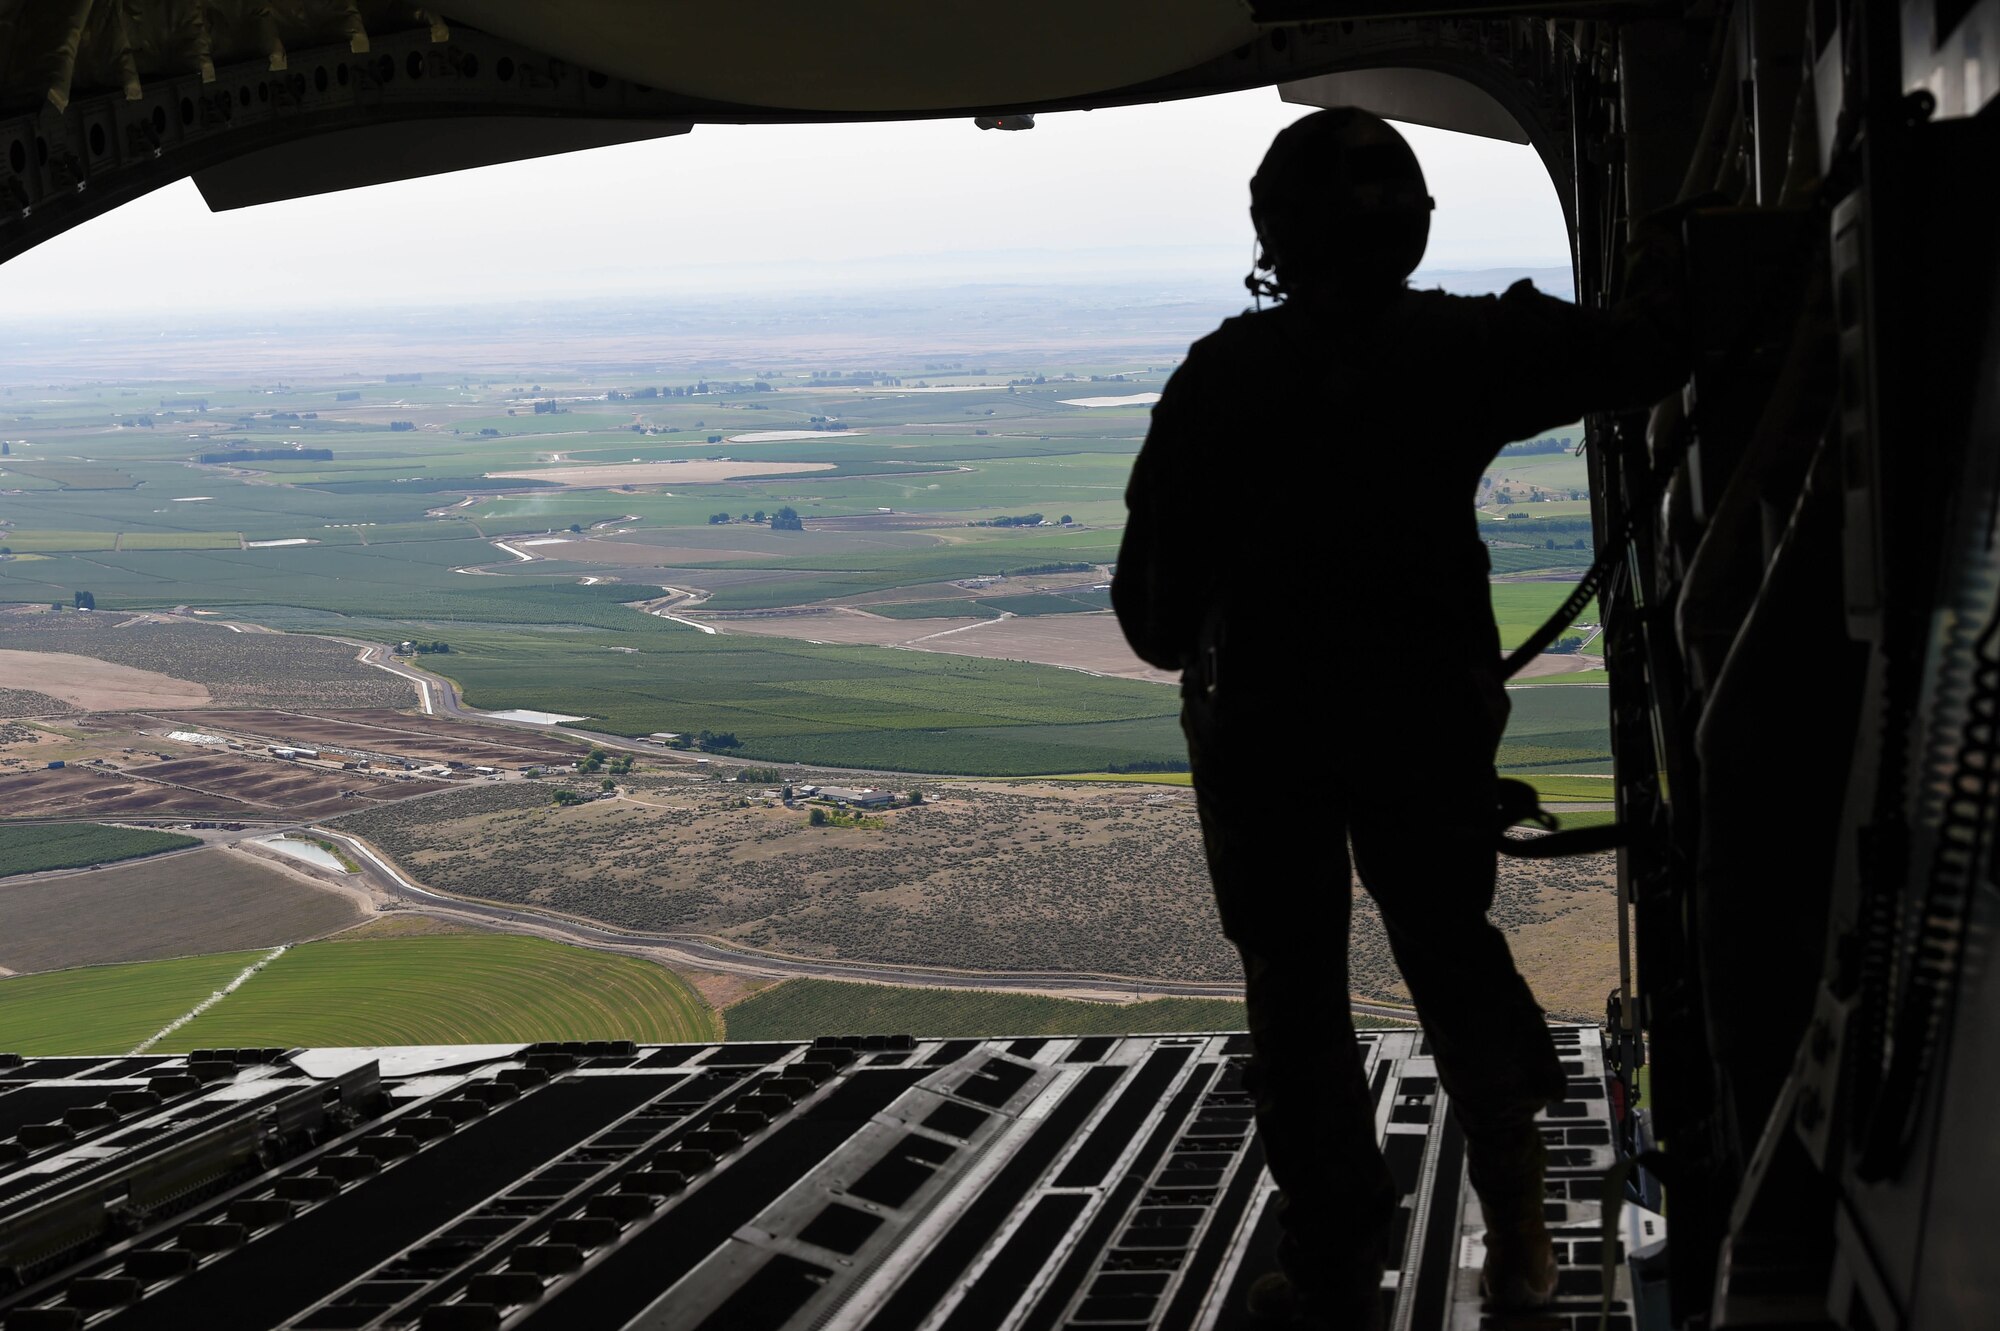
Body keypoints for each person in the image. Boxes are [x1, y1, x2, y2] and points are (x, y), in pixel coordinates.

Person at [1111, 108, 1686, 1328]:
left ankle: (1331, 1270)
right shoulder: (1465, 349)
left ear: (1273, 233)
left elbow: (1152, 619)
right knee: (1450, 949)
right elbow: (1647, 350)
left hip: (1262, 744)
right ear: (1414, 223)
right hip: (1424, 731)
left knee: (1295, 993)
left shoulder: (1220, 378)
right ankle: (1521, 1232)